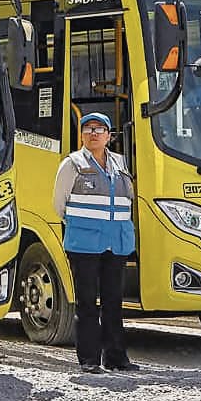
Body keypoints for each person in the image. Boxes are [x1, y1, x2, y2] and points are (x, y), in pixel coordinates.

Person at [53, 112, 138, 374]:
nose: (93, 133)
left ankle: (116, 357)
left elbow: (130, 198)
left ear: (109, 136)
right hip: (84, 243)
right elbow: (59, 204)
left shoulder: (121, 163)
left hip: (117, 242)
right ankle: (89, 360)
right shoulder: (72, 164)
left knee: (113, 301)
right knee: (87, 302)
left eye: (99, 129)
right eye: (88, 128)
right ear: (81, 134)